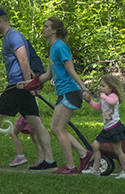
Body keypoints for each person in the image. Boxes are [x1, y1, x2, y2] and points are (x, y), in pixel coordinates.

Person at [0, 8, 57, 170]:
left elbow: (24, 60)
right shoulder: (9, 37)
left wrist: (28, 83)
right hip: (22, 84)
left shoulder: (13, 35)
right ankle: (49, 161)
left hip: (18, 85)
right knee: (35, 122)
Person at [21, 17, 90, 174]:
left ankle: (71, 166)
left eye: (46, 26)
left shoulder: (60, 47)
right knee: (57, 129)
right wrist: (28, 83)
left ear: (54, 30)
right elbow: (48, 75)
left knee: (57, 129)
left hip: (70, 91)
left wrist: (84, 88)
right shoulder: (52, 48)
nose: (43, 29)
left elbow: (71, 69)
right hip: (63, 91)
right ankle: (84, 154)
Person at [81, 74, 125, 179]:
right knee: (95, 146)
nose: (100, 88)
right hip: (107, 128)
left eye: (103, 86)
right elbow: (98, 107)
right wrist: (90, 102)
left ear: (111, 87)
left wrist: (103, 96)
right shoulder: (104, 98)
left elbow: (112, 102)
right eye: (100, 85)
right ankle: (96, 169)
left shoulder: (113, 96)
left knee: (118, 150)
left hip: (115, 127)